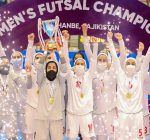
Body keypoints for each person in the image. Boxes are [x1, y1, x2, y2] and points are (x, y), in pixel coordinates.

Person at [107, 31, 150, 140]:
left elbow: (147, 60)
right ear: (124, 66)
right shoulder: (120, 75)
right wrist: (111, 40)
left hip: (137, 116)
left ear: (136, 66)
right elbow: (114, 58)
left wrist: (144, 50)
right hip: (123, 115)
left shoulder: (140, 76)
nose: (130, 65)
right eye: (128, 63)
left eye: (132, 63)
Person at [82, 23, 118, 140]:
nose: (102, 62)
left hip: (110, 113)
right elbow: (88, 53)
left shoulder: (112, 73)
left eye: (104, 60)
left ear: (108, 62)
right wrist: (85, 35)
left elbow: (115, 57)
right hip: (96, 113)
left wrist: (110, 40)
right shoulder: (92, 73)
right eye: (99, 60)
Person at [62, 30, 98, 140]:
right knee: (71, 137)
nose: (79, 65)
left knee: (87, 137)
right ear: (74, 65)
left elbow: (93, 60)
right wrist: (65, 41)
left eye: (82, 64)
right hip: (72, 114)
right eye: (77, 63)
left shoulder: (89, 75)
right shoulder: (70, 76)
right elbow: (66, 58)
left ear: (85, 66)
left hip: (86, 113)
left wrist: (94, 44)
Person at [34, 40, 68, 140]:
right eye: (49, 67)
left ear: (57, 70)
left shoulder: (60, 81)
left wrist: (59, 51)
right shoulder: (41, 80)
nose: (52, 69)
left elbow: (64, 68)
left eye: (54, 67)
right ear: (46, 69)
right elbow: (39, 67)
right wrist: (45, 52)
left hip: (56, 118)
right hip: (42, 118)